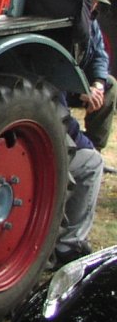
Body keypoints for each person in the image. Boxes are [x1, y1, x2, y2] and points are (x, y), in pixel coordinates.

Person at [51, 107, 104, 268]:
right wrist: (87, 144)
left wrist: (99, 82)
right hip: (40, 158)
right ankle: (68, 245)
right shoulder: (49, 84)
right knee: (92, 161)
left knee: (110, 87)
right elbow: (62, 121)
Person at [76, 0, 116, 153]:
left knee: (110, 85)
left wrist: (98, 84)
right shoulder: (71, 20)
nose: (95, 5)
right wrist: (81, 88)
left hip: (82, 84)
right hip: (64, 85)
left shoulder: (91, 22)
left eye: (96, 1)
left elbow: (100, 54)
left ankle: (93, 150)